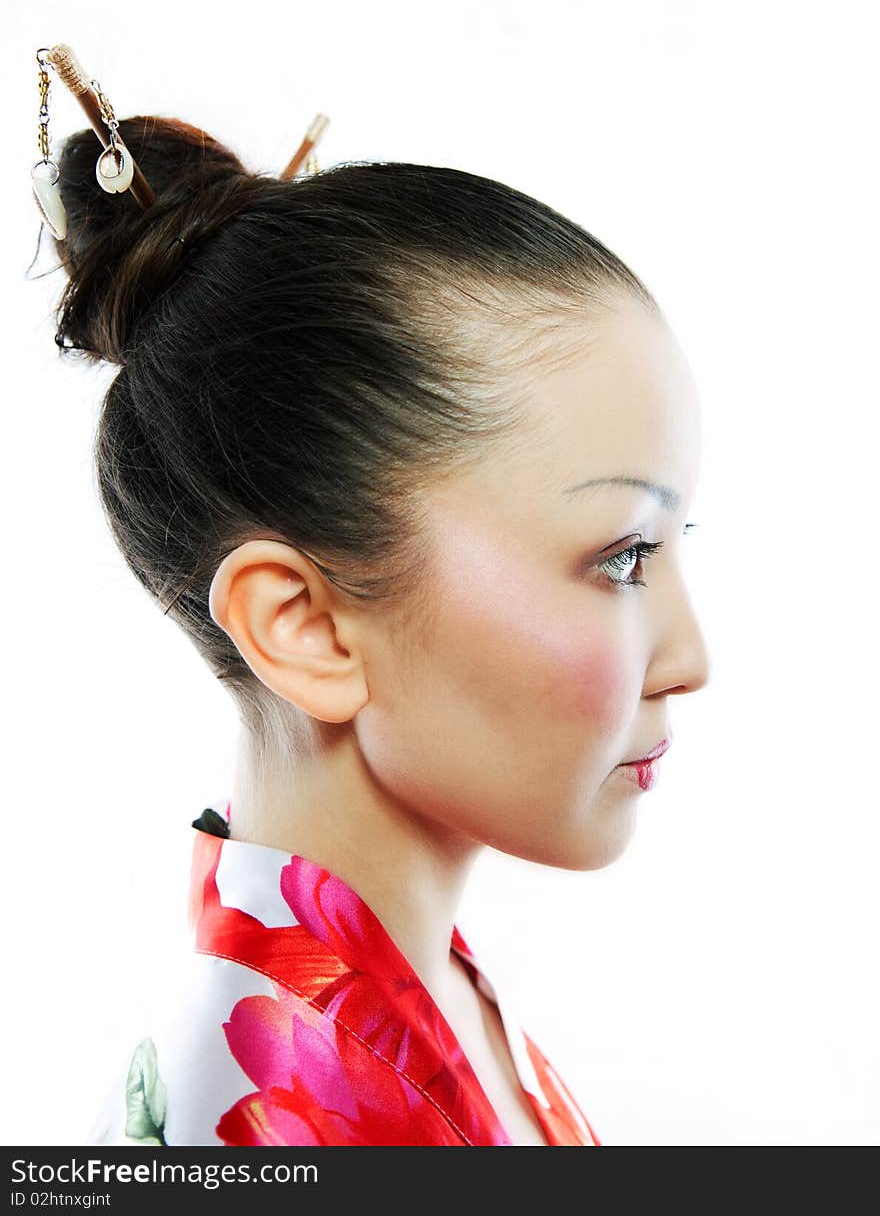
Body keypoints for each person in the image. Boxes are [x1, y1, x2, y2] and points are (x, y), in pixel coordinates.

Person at [41, 115, 710, 1146]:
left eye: (668, 548)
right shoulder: (252, 1116)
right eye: (620, 558)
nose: (691, 660)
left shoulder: (421, 990)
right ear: (304, 626)